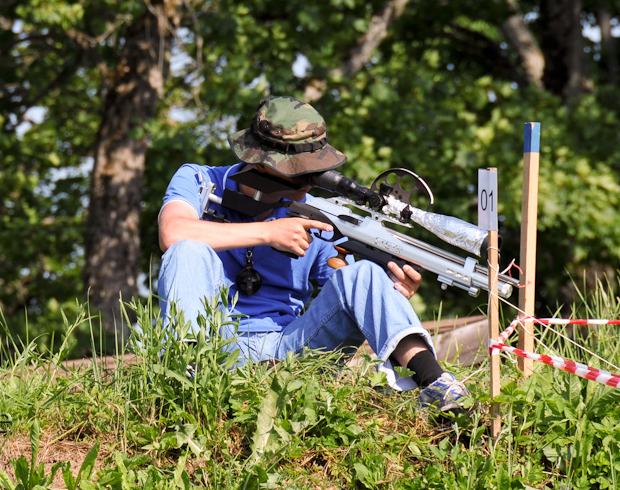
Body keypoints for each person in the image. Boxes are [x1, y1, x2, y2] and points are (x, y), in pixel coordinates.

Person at [155, 96, 474, 414]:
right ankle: (185, 383)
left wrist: (394, 289)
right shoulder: (199, 179)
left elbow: (355, 289)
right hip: (214, 347)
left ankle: (438, 388)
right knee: (187, 250)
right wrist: (269, 232)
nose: (307, 188)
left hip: (286, 351)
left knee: (366, 275)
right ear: (261, 164)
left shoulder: (315, 215)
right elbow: (173, 232)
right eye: (300, 175)